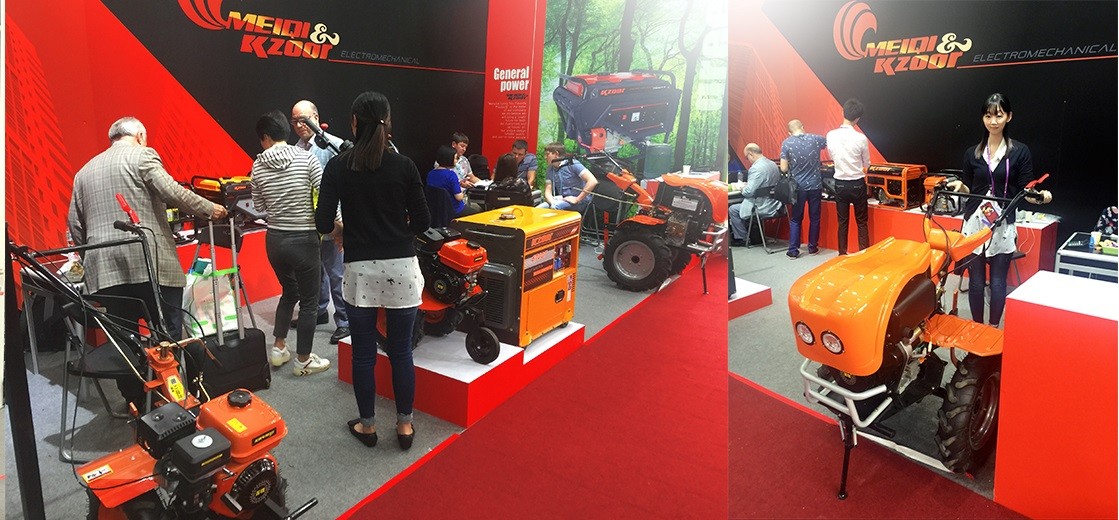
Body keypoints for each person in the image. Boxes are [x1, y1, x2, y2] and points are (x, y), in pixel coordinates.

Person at [67, 116, 227, 406]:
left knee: (125, 341)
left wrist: (94, 257)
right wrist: (211, 209)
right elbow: (173, 192)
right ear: (140, 135)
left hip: (106, 273)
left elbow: (75, 226)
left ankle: (136, 402)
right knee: (168, 336)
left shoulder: (84, 172)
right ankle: (172, 399)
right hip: (151, 264)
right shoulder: (142, 155)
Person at [316, 90, 431, 450]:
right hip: (402, 268)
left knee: (364, 354)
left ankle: (368, 426)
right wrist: (396, 231)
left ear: (353, 123)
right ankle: (405, 426)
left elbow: (322, 222)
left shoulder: (338, 166)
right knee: (401, 352)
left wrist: (344, 230)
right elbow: (424, 222)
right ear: (388, 122)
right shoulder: (404, 165)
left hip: (360, 271)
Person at [950, 93, 1052, 326]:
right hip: (974, 223)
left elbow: (1026, 188)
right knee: (976, 281)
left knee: (997, 281)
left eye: (999, 115)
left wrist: (1040, 198)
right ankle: (977, 329)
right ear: (983, 118)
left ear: (1009, 117)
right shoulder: (972, 153)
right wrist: (960, 186)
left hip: (1002, 222)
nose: (993, 121)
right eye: (988, 116)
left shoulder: (1019, 151)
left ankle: (993, 327)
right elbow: (969, 185)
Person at [250, 110, 331, 376]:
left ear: (265, 137)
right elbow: (325, 195)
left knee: (289, 291)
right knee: (309, 302)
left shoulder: (257, 166)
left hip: (275, 240)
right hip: (304, 239)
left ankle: (279, 347)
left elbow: (259, 206)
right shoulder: (306, 158)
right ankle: (303, 360)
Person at [291, 100, 350, 345]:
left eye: (303, 119)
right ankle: (320, 310)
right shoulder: (295, 150)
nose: (299, 125)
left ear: (316, 117)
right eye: (295, 121)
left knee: (336, 273)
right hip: (308, 223)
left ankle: (345, 321)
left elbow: (345, 188)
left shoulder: (334, 146)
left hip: (333, 222)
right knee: (316, 271)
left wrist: (340, 225)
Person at [826, 98, 871, 255]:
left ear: (842, 112)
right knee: (862, 222)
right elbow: (867, 163)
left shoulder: (831, 135)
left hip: (840, 183)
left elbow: (832, 155)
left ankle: (842, 254)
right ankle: (864, 255)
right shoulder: (861, 138)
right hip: (858, 183)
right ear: (858, 119)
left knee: (842, 222)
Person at [779, 119, 828, 259]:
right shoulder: (816, 139)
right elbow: (828, 143)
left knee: (796, 219)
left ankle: (793, 250)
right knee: (815, 217)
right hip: (815, 185)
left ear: (789, 132)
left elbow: (783, 168)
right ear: (802, 127)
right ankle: (812, 247)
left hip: (798, 187)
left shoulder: (787, 143)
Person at [728, 143, 781, 247]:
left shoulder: (756, 168)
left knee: (733, 209)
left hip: (761, 206)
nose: (748, 160)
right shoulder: (773, 164)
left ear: (751, 154)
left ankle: (743, 238)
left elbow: (748, 192)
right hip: (775, 204)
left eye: (746, 157)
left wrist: (742, 188)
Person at [537, 142, 598, 212]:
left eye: (547, 154)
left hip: (579, 201)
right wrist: (552, 202)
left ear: (556, 154)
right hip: (561, 199)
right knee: (538, 210)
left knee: (556, 207)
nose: (545, 157)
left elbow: (593, 181)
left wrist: (577, 199)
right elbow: (548, 191)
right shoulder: (550, 169)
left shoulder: (573, 164)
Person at [427, 145, 478, 216]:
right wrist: (464, 190)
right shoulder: (451, 175)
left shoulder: (430, 174)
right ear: (449, 159)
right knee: (478, 213)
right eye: (455, 158)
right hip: (454, 210)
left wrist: (458, 184)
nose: (456, 161)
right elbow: (459, 197)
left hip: (437, 210)